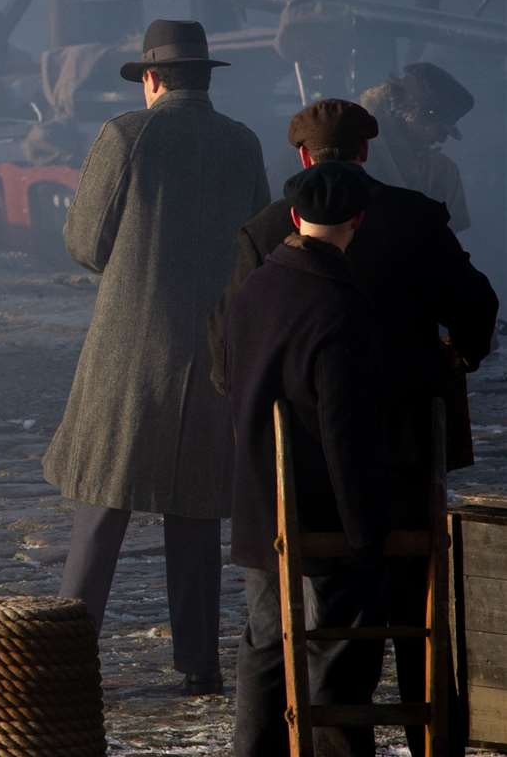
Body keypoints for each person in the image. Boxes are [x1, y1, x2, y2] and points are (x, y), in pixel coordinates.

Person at [210, 98, 497, 755]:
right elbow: (478, 305)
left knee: (267, 633)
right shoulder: (417, 219)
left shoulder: (263, 234)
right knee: (407, 619)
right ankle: (429, 743)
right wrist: (458, 355)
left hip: (280, 480)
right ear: (366, 152)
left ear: (303, 159)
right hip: (399, 469)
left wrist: (272, 419)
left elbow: (225, 358)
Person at [42, 19, 270, 696]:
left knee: (101, 504)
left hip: (130, 352)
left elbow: (85, 243)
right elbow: (259, 249)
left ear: (151, 79)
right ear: (203, 78)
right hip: (213, 353)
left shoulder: (126, 136)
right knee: (194, 511)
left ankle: (65, 662)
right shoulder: (242, 143)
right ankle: (198, 665)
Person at [227, 161, 392, 757]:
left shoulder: (256, 289)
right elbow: (342, 432)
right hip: (322, 511)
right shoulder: (340, 307)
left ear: (294, 218)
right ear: (357, 222)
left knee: (266, 643)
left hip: (259, 502)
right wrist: (363, 534)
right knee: (339, 653)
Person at [360, 62, 474, 230]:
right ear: (415, 111)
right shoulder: (361, 152)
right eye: (439, 129)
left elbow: (451, 232)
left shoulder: (444, 171)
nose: (442, 139)